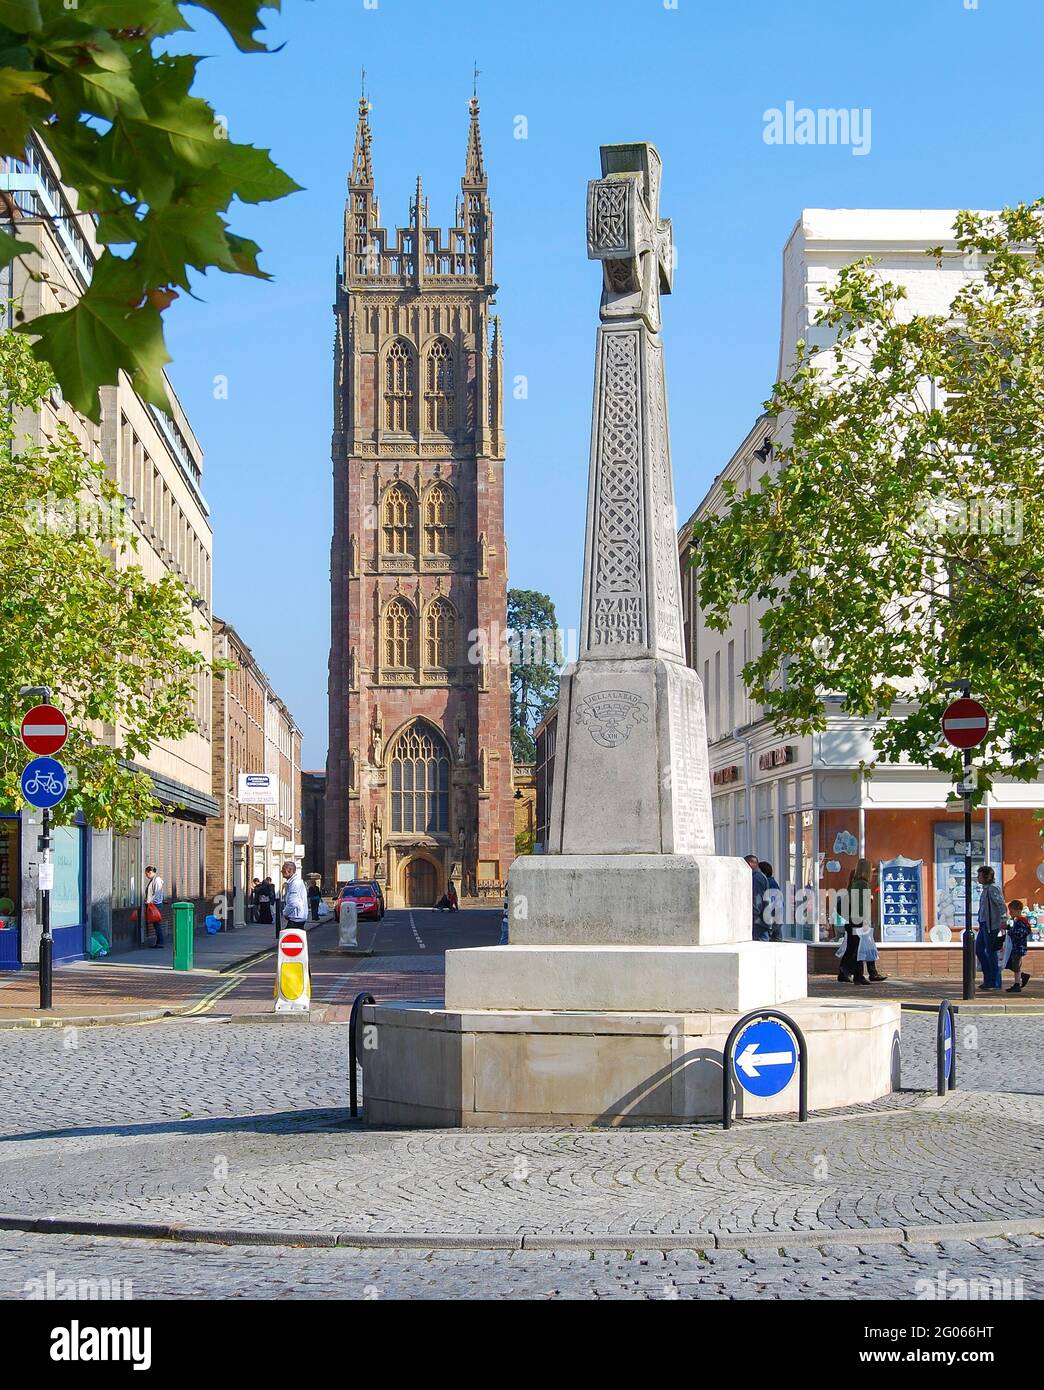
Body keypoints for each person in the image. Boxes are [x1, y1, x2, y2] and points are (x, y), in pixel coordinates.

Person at [838, 858, 886, 984]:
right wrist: (865, 921)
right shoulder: (863, 884)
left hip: (852, 920)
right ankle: (852, 973)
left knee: (854, 948)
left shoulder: (855, 883)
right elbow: (861, 906)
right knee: (857, 949)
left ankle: (853, 974)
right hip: (857, 921)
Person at [975, 865, 1006, 990]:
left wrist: (1003, 920)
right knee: (979, 950)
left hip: (991, 926)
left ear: (987, 877)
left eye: (980, 875)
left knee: (991, 952)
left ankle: (994, 981)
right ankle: (988, 978)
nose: (978, 878)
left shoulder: (993, 889)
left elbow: (1001, 905)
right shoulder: (985, 890)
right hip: (983, 925)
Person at [1005, 899, 1032, 994]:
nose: (1010, 913)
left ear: (1017, 911)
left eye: (1011, 911)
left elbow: (1020, 933)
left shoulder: (1021, 921)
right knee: (1013, 964)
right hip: (1017, 946)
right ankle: (1021, 977)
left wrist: (1011, 931)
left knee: (1015, 965)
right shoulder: (1019, 921)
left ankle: (1018, 983)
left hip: (1018, 947)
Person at [744, 855, 770, 941]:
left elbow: (757, 902)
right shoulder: (759, 877)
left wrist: (749, 916)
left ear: (750, 863)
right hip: (760, 922)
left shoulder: (756, 878)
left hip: (758, 924)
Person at [759, 861, 784, 942]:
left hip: (772, 919)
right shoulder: (773, 883)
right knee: (777, 941)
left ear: (764, 873)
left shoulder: (768, 883)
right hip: (776, 919)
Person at [281, 860, 309, 931]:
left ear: (289, 870)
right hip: (297, 917)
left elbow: (293, 902)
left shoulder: (295, 883)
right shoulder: (294, 882)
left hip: (296, 918)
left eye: (283, 869)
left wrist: (285, 913)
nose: (281, 871)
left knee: (287, 939)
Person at [143, 865, 165, 949]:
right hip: (154, 905)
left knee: (157, 924)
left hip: (156, 905)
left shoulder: (157, 880)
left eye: (146, 874)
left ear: (150, 872)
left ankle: (160, 942)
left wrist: (150, 901)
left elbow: (157, 893)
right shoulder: (153, 880)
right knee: (156, 925)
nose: (146, 876)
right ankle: (159, 942)